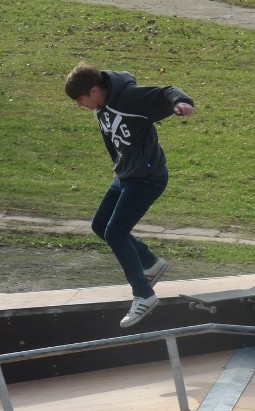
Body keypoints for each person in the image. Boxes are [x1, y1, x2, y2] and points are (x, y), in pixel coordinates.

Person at [64, 61, 196, 328]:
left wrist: (179, 103)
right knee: (100, 225)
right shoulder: (102, 104)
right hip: (126, 175)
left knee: (116, 232)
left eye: (80, 100)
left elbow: (166, 92)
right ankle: (150, 263)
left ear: (93, 90)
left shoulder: (129, 97)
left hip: (147, 178)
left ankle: (144, 295)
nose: (80, 106)